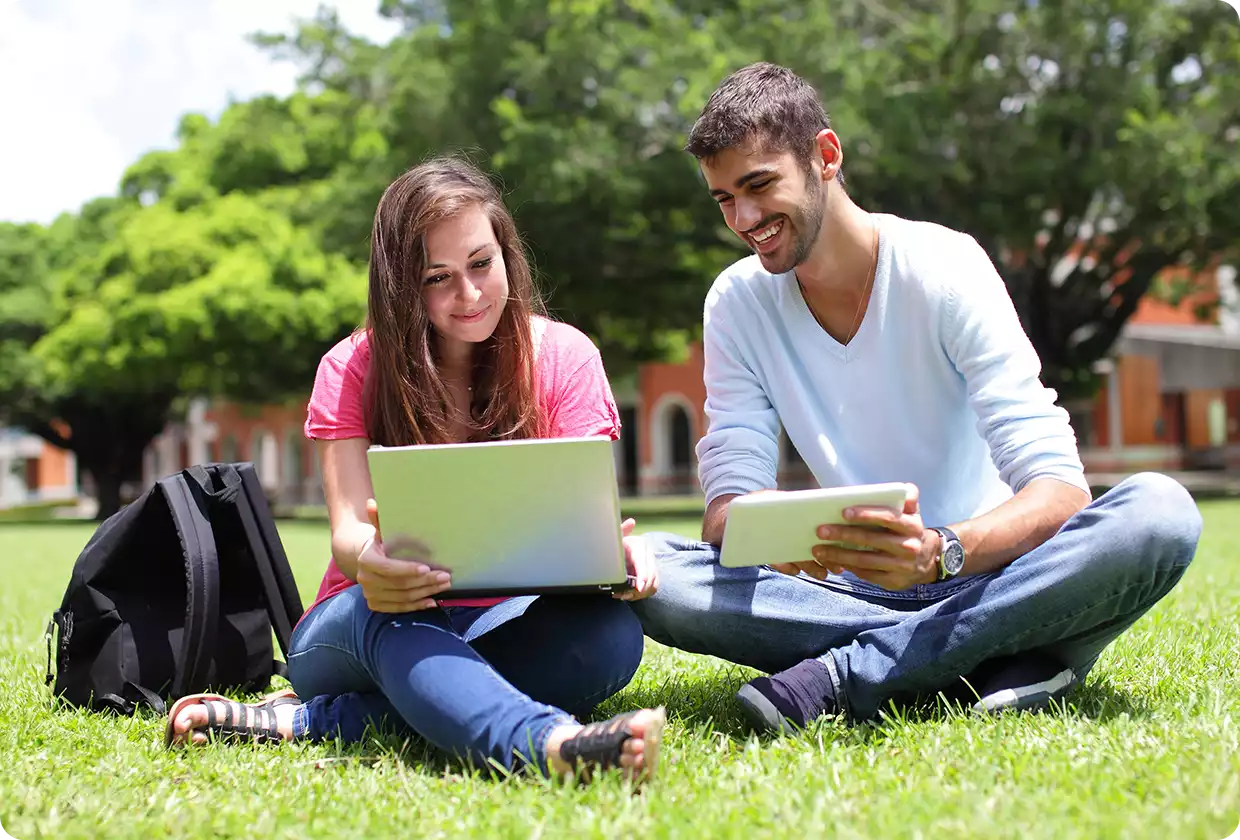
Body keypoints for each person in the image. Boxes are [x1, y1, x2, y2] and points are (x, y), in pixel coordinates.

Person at [628, 62, 1203, 733]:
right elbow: (726, 503)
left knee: (1161, 515)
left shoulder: (944, 267)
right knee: (657, 574)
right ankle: (1007, 652)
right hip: (844, 592)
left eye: (758, 185)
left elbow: (1061, 491)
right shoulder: (735, 302)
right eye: (724, 199)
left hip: (989, 571)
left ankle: (848, 674)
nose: (744, 219)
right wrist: (761, 530)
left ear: (826, 156)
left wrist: (938, 552)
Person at [165, 157, 665, 781]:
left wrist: (615, 555)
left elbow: (582, 519)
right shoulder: (350, 367)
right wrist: (371, 564)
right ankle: (547, 747)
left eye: (482, 264)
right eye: (438, 277)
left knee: (610, 637)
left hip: (503, 620)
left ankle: (311, 722)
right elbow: (349, 534)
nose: (470, 294)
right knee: (399, 617)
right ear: (402, 285)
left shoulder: (566, 357)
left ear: (507, 253)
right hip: (362, 620)